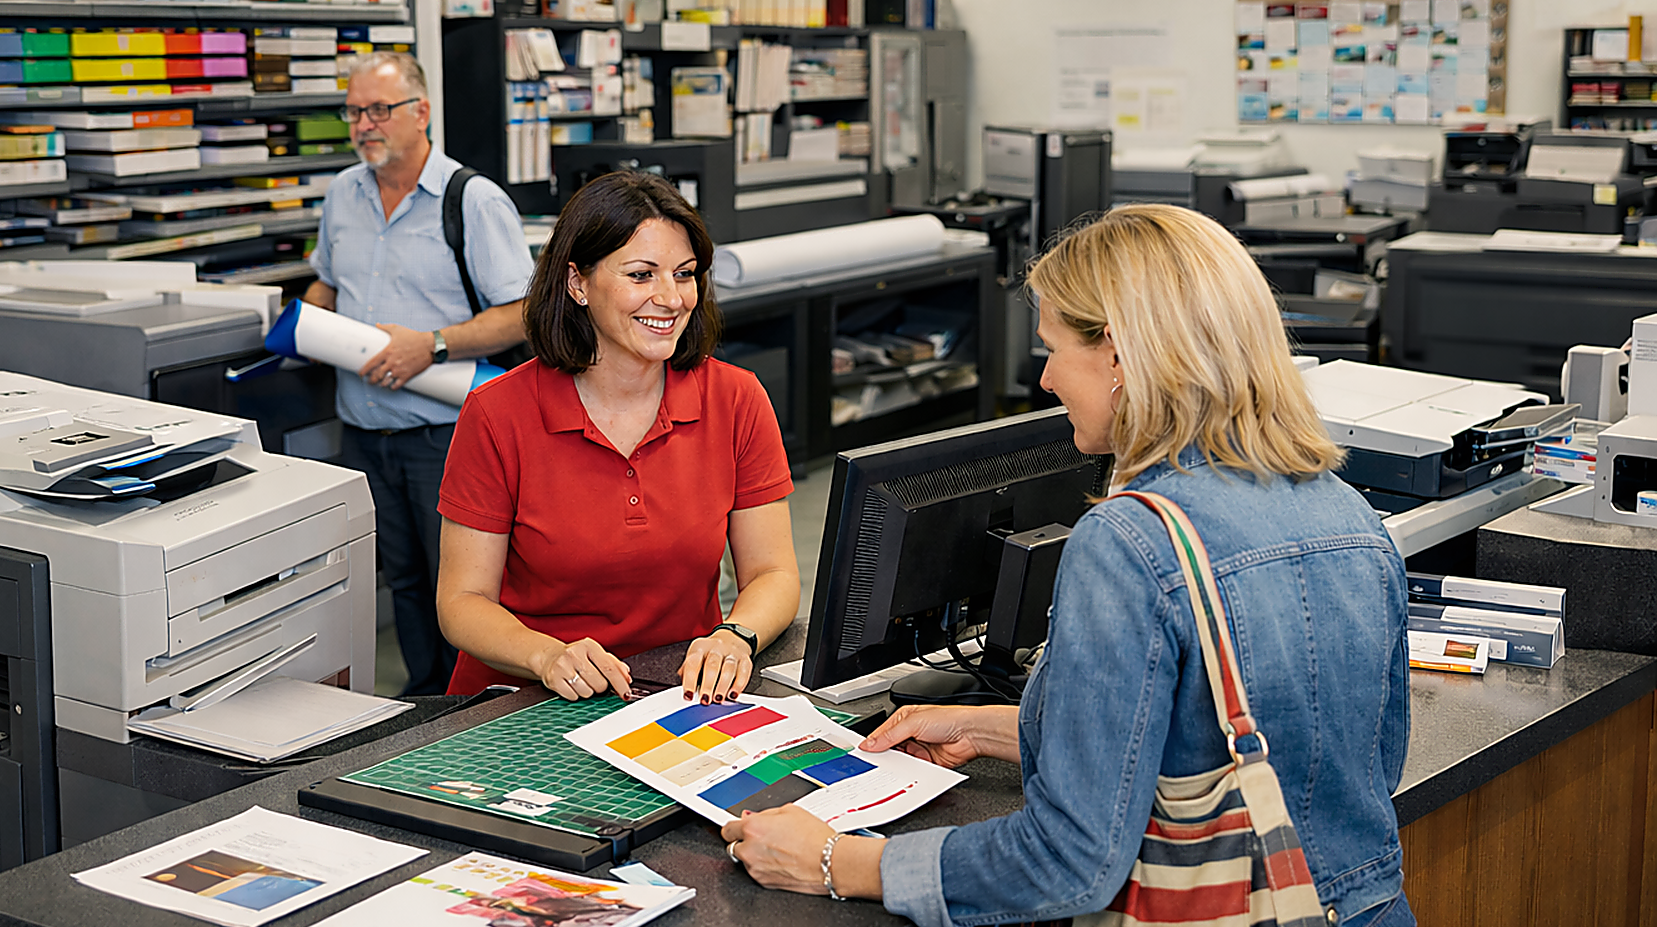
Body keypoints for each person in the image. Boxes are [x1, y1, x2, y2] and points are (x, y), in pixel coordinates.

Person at [722, 204, 1414, 927]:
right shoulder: (1351, 515)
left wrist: (840, 862)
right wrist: (1005, 729)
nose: (1046, 379)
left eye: (1053, 347)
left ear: (1118, 354)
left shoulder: (1131, 542)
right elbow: (1345, 763)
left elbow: (1069, 861)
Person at [435, 170, 801, 703]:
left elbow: (773, 572)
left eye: (684, 273)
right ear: (577, 282)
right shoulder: (497, 413)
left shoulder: (736, 398)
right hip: (524, 703)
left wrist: (735, 635)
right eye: (641, 275)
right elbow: (462, 601)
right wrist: (545, 654)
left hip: (677, 692)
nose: (671, 298)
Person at [304, 51, 534, 696]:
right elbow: (328, 280)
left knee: (460, 585)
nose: (364, 124)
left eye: (379, 109)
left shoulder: (472, 200)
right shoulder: (341, 195)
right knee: (400, 576)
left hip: (447, 434)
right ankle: (425, 696)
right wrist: (294, 324)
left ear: (421, 111)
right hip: (363, 431)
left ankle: (470, 707)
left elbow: (522, 313)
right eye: (354, 112)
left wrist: (430, 344)